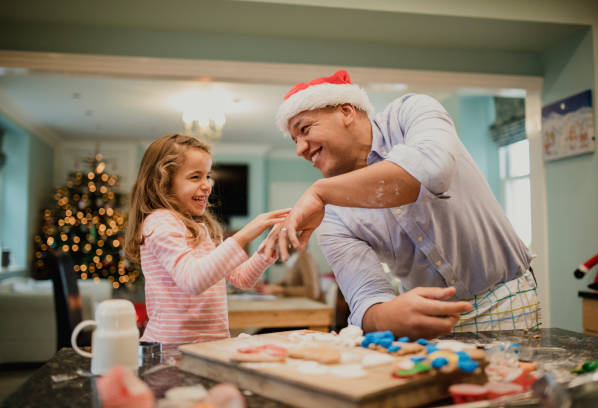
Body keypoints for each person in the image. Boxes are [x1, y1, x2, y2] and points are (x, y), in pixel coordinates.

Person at [267, 70, 541, 339]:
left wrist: (319, 192)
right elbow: (366, 300)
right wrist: (388, 316)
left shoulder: (410, 113)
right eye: (294, 140)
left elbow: (432, 172)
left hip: (505, 300)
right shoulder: (331, 213)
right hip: (425, 322)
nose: (300, 149)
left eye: (304, 130)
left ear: (347, 111)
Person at [124, 133, 289, 345]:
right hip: (172, 349)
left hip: (212, 345)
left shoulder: (202, 228)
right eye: (195, 177)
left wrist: (268, 248)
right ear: (163, 183)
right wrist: (246, 233)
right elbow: (193, 280)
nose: (207, 185)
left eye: (207, 176)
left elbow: (241, 279)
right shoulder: (160, 222)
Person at [256, 246, 321, 300]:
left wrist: (281, 290)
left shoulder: (305, 258)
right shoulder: (292, 259)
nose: (276, 246)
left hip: (314, 310)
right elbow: (288, 283)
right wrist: (270, 287)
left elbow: (312, 292)